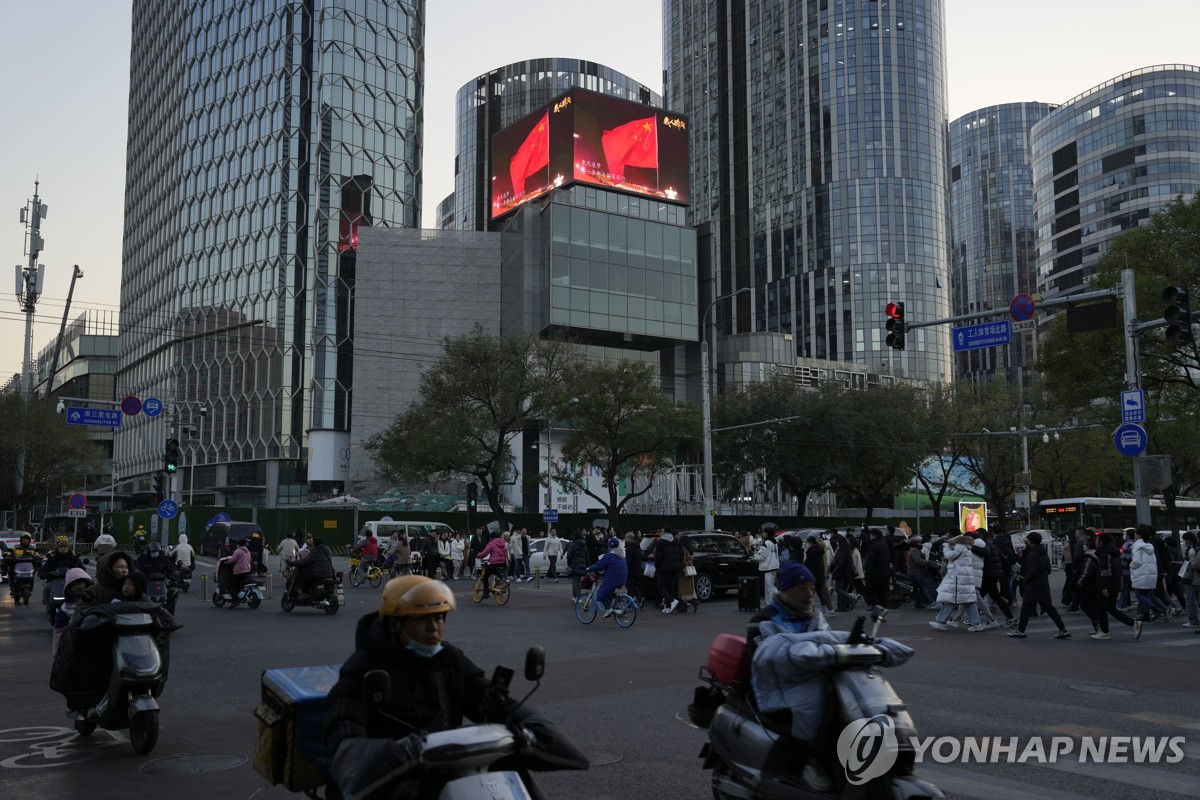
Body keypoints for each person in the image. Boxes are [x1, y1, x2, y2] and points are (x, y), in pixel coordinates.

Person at [322, 575, 588, 798]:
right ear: (395, 623)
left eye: (439, 618)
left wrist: (521, 726)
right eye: (422, 619)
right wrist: (399, 753)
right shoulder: (363, 667)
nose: (434, 627)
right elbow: (344, 734)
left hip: (448, 770)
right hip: (390, 781)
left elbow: (485, 697)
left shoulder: (449, 659)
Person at [746, 561, 832, 792]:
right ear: (786, 589)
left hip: (809, 678)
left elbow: (828, 640)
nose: (809, 594)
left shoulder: (814, 616)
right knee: (812, 706)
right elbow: (764, 658)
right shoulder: (764, 620)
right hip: (775, 684)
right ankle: (811, 760)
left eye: (812, 588)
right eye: (802, 588)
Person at [1008, 532, 1071, 639]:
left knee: (1026, 608)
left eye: (1027, 539)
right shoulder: (1043, 552)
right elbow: (1049, 570)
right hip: (1043, 584)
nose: (1026, 540)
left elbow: (1032, 572)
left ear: (1031, 541)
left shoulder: (1032, 555)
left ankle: (1020, 630)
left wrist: (1025, 579)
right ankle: (1063, 629)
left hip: (1033, 586)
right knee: (1049, 608)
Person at [929, 535, 983, 631]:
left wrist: (945, 546)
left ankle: (941, 622)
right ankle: (976, 623)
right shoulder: (966, 548)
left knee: (950, 600)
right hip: (964, 578)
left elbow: (949, 556)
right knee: (968, 602)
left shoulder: (959, 547)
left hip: (958, 579)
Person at [1130, 525, 1174, 622]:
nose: (1134, 536)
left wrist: (1131, 566)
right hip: (1151, 574)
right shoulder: (1149, 546)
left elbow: (1136, 561)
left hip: (1141, 574)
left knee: (1139, 595)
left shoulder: (1137, 546)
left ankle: (1155, 609)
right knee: (1151, 596)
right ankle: (1166, 610)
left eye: (1135, 534)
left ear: (1139, 535)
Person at [53, 567, 94, 656]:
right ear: (68, 588)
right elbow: (58, 630)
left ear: (86, 583)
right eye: (73, 585)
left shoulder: (96, 601)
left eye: (79, 583)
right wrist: (57, 651)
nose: (77, 587)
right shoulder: (65, 608)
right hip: (75, 644)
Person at [585, 537, 629, 618]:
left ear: (610, 546)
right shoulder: (621, 555)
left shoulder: (609, 555)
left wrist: (589, 568)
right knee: (608, 593)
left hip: (613, 578)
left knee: (600, 595)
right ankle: (617, 610)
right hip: (623, 578)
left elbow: (599, 565)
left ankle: (609, 609)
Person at [647, 528, 683, 613]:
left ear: (665, 533)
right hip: (675, 568)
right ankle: (668, 607)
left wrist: (657, 566)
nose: (660, 533)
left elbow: (658, 556)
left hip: (664, 568)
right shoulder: (675, 541)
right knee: (670, 587)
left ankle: (671, 601)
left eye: (661, 531)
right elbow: (681, 553)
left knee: (661, 586)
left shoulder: (661, 542)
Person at [862, 528, 892, 611]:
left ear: (874, 535)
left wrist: (867, 573)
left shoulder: (874, 546)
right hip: (885, 573)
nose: (869, 537)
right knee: (881, 593)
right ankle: (883, 610)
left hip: (876, 574)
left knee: (867, 591)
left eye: (870, 535)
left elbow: (870, 561)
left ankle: (879, 608)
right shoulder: (883, 544)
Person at [752, 532, 780, 601]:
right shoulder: (775, 542)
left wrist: (754, 558)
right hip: (774, 565)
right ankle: (779, 599)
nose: (762, 534)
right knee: (771, 585)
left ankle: (770, 603)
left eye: (764, 533)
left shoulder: (766, 543)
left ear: (767, 534)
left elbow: (762, 555)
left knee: (768, 586)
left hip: (768, 566)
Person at [567, 530, 590, 600]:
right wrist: (587, 565)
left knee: (575, 581)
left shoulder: (573, 544)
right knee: (578, 581)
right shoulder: (584, 545)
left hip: (575, 564)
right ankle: (575, 596)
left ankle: (578, 597)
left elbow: (569, 555)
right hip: (582, 564)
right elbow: (587, 556)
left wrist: (569, 563)